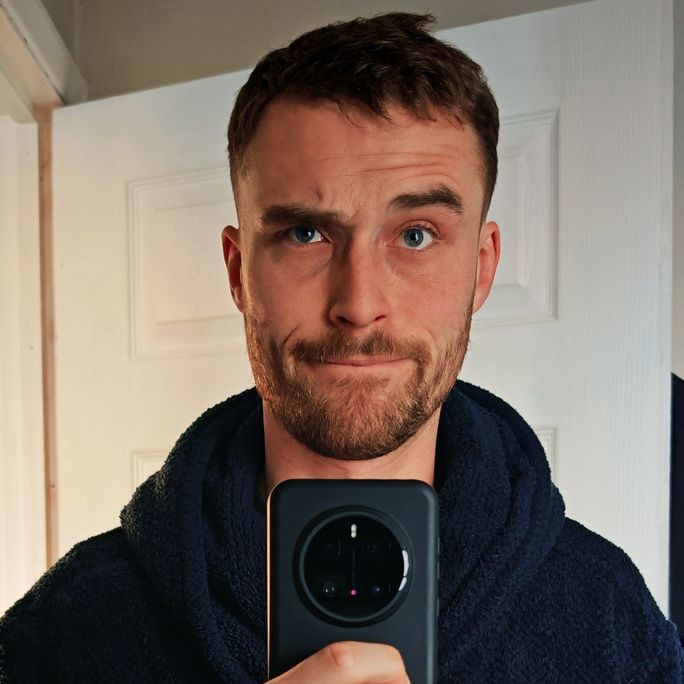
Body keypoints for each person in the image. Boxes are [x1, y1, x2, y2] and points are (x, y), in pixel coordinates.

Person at [0, 12, 682, 683]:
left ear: (482, 268)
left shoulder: (609, 619)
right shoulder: (65, 633)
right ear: (239, 272)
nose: (358, 304)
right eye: (306, 234)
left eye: (415, 235)